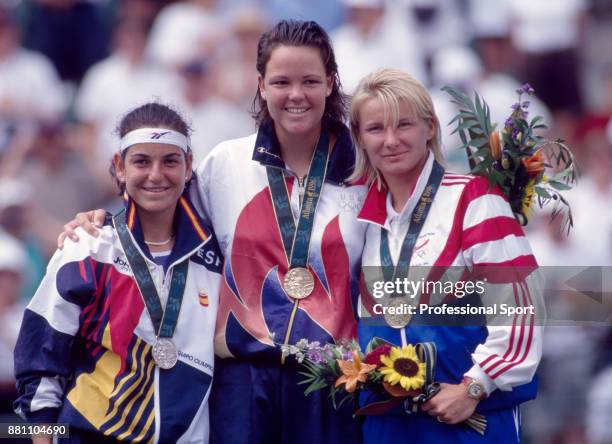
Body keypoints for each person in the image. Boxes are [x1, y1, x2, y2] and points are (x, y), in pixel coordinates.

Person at [59, 20, 366, 444]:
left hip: (332, 384)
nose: (296, 95)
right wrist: (100, 223)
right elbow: (160, 222)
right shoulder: (225, 164)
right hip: (241, 383)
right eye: (281, 81)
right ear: (260, 84)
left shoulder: (364, 173)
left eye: (310, 81)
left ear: (331, 83)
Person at [349, 69, 543, 443]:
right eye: (375, 129)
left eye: (403, 124)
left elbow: (522, 311)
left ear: (431, 127)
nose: (390, 141)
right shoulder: (363, 220)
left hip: (468, 419)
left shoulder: (474, 199)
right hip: (387, 424)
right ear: (359, 137)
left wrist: (475, 386)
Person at [14, 103, 222, 444]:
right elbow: (40, 363)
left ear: (188, 168)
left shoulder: (215, 257)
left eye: (170, 160)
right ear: (119, 167)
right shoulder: (87, 248)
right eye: (141, 161)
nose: (156, 175)